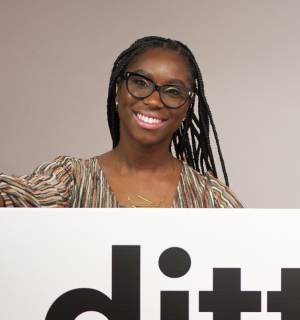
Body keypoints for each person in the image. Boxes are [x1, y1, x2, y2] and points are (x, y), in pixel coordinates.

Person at [0, 36, 242, 208]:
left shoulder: (210, 199)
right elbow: (16, 199)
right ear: (119, 89)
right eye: (140, 83)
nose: (154, 100)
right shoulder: (72, 179)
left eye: (173, 91)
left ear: (187, 107)